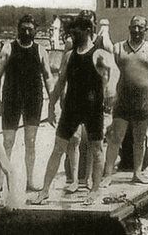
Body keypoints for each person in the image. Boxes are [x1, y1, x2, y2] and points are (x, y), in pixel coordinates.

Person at [31, 17, 111, 206]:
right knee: (58, 148)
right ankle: (44, 191)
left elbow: (112, 75)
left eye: (76, 32)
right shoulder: (69, 55)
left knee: (96, 149)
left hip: (93, 107)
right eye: (71, 32)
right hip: (72, 107)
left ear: (87, 31)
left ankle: (94, 190)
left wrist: (110, 99)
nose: (72, 36)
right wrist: (51, 106)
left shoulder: (99, 54)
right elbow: (60, 83)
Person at [102, 15, 148, 186]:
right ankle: (108, 174)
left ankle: (137, 173)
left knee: (140, 139)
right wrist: (108, 94)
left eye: (140, 27)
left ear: (146, 29)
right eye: (134, 27)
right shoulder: (118, 48)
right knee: (115, 137)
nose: (136, 30)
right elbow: (108, 74)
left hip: (144, 101)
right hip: (122, 101)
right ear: (129, 28)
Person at [0, 14, 54, 191]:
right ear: (18, 29)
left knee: (31, 141)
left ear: (35, 30)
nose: (27, 32)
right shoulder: (8, 48)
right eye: (23, 29)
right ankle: (0, 182)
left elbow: (48, 76)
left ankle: (30, 181)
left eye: (30, 29)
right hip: (11, 98)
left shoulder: (40, 50)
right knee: (8, 141)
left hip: (33, 99)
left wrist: (53, 100)